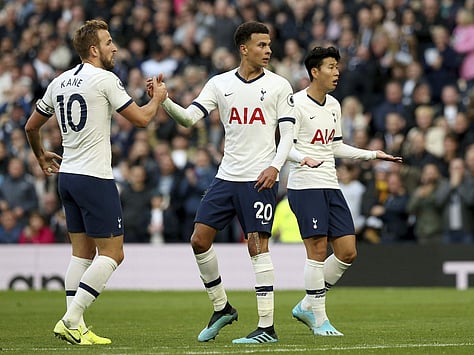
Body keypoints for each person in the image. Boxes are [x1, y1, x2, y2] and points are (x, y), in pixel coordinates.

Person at [24, 19, 167, 345]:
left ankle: (78, 327)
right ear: (94, 49)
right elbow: (143, 120)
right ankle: (71, 319)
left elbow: (31, 127)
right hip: (94, 177)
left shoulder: (58, 82)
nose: (114, 47)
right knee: (114, 254)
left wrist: (41, 156)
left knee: (81, 255)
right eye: (108, 42)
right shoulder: (105, 79)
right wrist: (158, 98)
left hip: (68, 178)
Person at [152, 21, 295, 344]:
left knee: (257, 247)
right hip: (226, 176)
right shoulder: (220, 84)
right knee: (199, 240)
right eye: (261, 45)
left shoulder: (279, 86)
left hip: (259, 178)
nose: (268, 50)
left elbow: (288, 134)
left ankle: (266, 327)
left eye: (269, 45)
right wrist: (165, 101)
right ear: (243, 48)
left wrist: (275, 166)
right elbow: (189, 119)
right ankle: (222, 308)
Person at [286, 46, 402, 336]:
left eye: (337, 66)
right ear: (315, 71)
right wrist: (303, 158)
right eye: (330, 66)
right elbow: (282, 146)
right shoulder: (294, 104)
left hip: (330, 183)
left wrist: (372, 154)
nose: (337, 71)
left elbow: (334, 145)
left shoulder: (335, 105)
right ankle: (320, 319)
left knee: (348, 252)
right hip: (305, 185)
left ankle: (305, 305)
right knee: (316, 250)